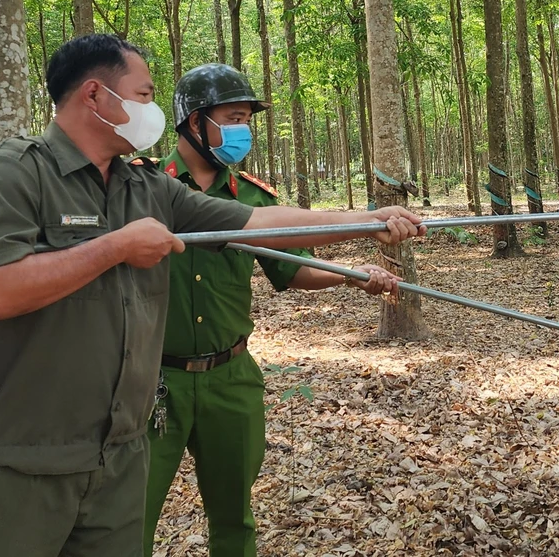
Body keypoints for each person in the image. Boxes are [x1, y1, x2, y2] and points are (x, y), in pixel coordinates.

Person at [0, 34, 422, 557]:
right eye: (144, 96)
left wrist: (366, 221)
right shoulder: (8, 173)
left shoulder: (147, 189)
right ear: (95, 95)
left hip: (118, 453)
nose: (151, 111)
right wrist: (114, 247)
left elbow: (258, 223)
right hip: (18, 457)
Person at [142, 64, 398, 556]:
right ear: (194, 122)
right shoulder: (143, 186)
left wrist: (351, 275)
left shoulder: (255, 198)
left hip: (231, 379)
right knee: (131, 518)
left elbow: (293, 271)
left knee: (234, 517)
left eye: (247, 120)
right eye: (234, 118)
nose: (244, 131)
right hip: (154, 382)